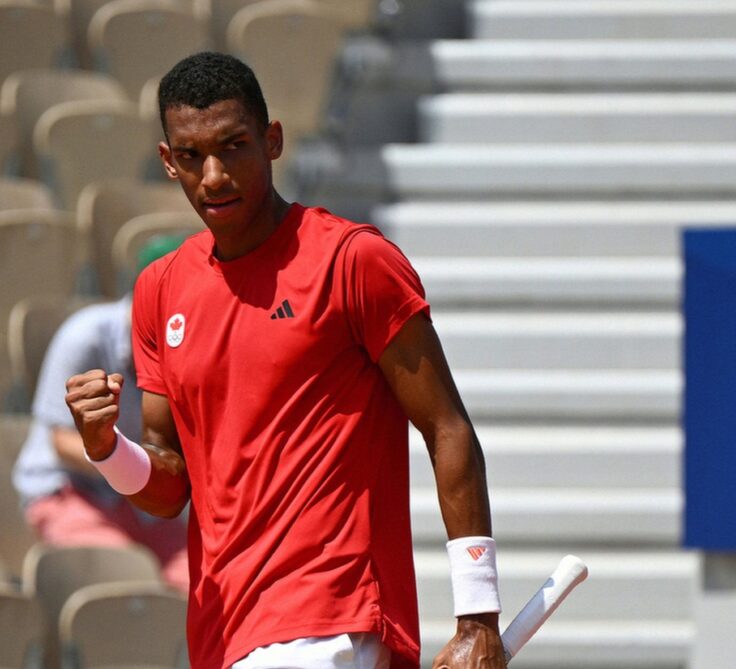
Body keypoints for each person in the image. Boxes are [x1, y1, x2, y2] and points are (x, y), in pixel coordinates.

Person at [65, 53, 504, 669]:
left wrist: (478, 616)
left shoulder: (355, 261)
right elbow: (168, 489)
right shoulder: (159, 289)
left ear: (272, 141)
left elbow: (448, 428)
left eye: (233, 146)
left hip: (332, 621)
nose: (214, 175)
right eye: (191, 156)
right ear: (168, 162)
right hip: (223, 634)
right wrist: (106, 447)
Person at [13, 236, 190, 589]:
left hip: (143, 501)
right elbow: (60, 441)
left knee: (207, 581)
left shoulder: (185, 345)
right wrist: (122, 463)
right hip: (70, 491)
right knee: (127, 581)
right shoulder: (85, 336)